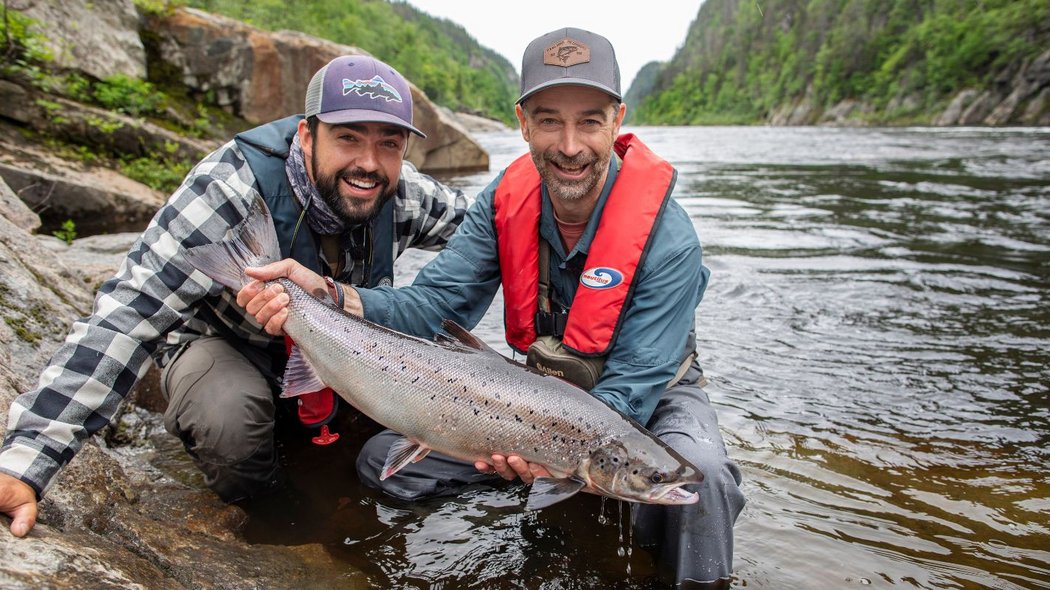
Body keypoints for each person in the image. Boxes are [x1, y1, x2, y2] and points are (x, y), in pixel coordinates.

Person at [240, 29, 745, 588]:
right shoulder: (504, 204)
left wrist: (559, 452)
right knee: (386, 467)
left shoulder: (670, 239)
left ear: (618, 120)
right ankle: (549, 511)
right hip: (546, 409)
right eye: (550, 119)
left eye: (590, 121)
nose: (570, 145)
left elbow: (632, 388)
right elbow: (431, 304)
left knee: (708, 485)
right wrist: (330, 298)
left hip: (640, 400)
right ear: (523, 123)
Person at [0, 55, 472, 536]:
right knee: (231, 426)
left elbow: (492, 233)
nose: (369, 163)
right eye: (348, 137)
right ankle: (282, 522)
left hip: (343, 354)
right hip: (228, 345)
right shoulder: (226, 192)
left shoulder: (402, 191)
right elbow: (125, 317)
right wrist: (26, 463)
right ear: (307, 136)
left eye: (388, 144)